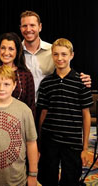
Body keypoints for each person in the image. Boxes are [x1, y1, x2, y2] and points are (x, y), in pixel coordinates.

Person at [0, 10, 91, 101]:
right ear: (20, 28)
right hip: (20, 105)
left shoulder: (53, 51)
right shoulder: (14, 52)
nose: (28, 29)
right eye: (24, 26)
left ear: (40, 27)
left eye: (32, 25)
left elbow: (66, 70)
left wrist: (81, 78)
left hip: (47, 107)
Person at [37, 38, 93, 186]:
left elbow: (86, 115)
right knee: (48, 178)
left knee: (71, 179)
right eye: (56, 54)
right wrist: (39, 142)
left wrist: (85, 147)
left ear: (71, 55)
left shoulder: (81, 82)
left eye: (64, 54)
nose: (60, 58)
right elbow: (43, 113)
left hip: (73, 141)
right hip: (50, 140)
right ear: (52, 55)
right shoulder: (46, 82)